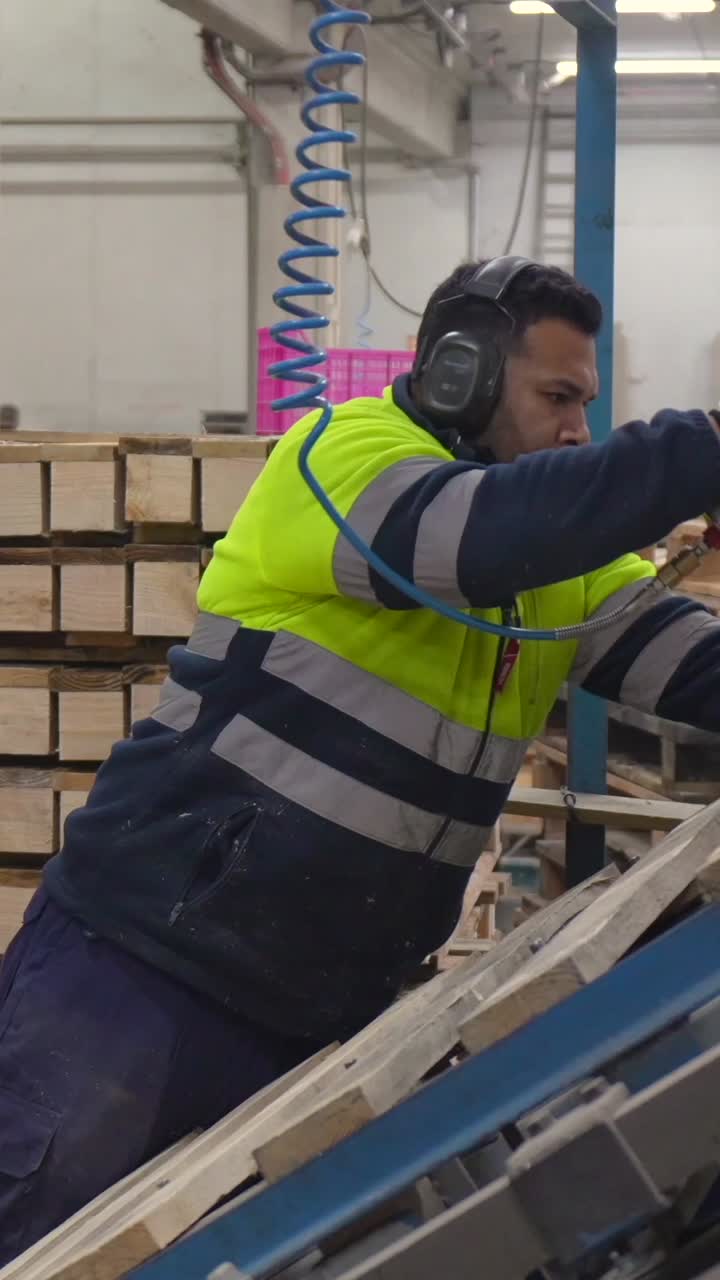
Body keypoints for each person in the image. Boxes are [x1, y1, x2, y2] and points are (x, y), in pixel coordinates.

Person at [3, 256, 720, 1260]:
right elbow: (480, 538)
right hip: (141, 973)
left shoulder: (554, 571)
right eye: (557, 397)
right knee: (39, 1244)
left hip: (318, 1018)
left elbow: (693, 667)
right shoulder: (345, 462)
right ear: (462, 374)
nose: (577, 429)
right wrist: (704, 449)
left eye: (586, 404)